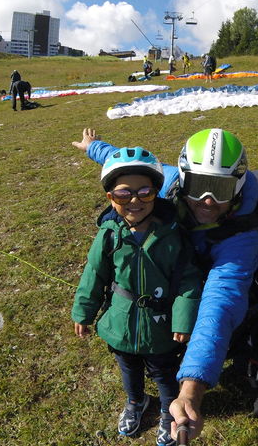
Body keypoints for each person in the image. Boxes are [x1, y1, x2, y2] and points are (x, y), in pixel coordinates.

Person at [73, 128, 258, 442]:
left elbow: (220, 303)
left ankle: (164, 405)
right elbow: (126, 165)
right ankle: (137, 399)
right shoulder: (170, 182)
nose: (207, 199)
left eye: (221, 189)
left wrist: (190, 390)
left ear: (239, 186)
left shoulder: (243, 235)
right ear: (184, 178)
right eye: (199, 186)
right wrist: (94, 147)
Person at [72, 147, 202, 445]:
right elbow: (94, 274)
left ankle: (169, 412)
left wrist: (183, 319)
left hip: (161, 325)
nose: (135, 201)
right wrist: (83, 312)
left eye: (145, 192)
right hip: (121, 322)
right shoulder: (109, 234)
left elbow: (188, 279)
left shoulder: (172, 233)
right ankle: (135, 401)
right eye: (123, 194)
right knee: (128, 367)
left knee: (164, 372)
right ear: (110, 198)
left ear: (156, 193)